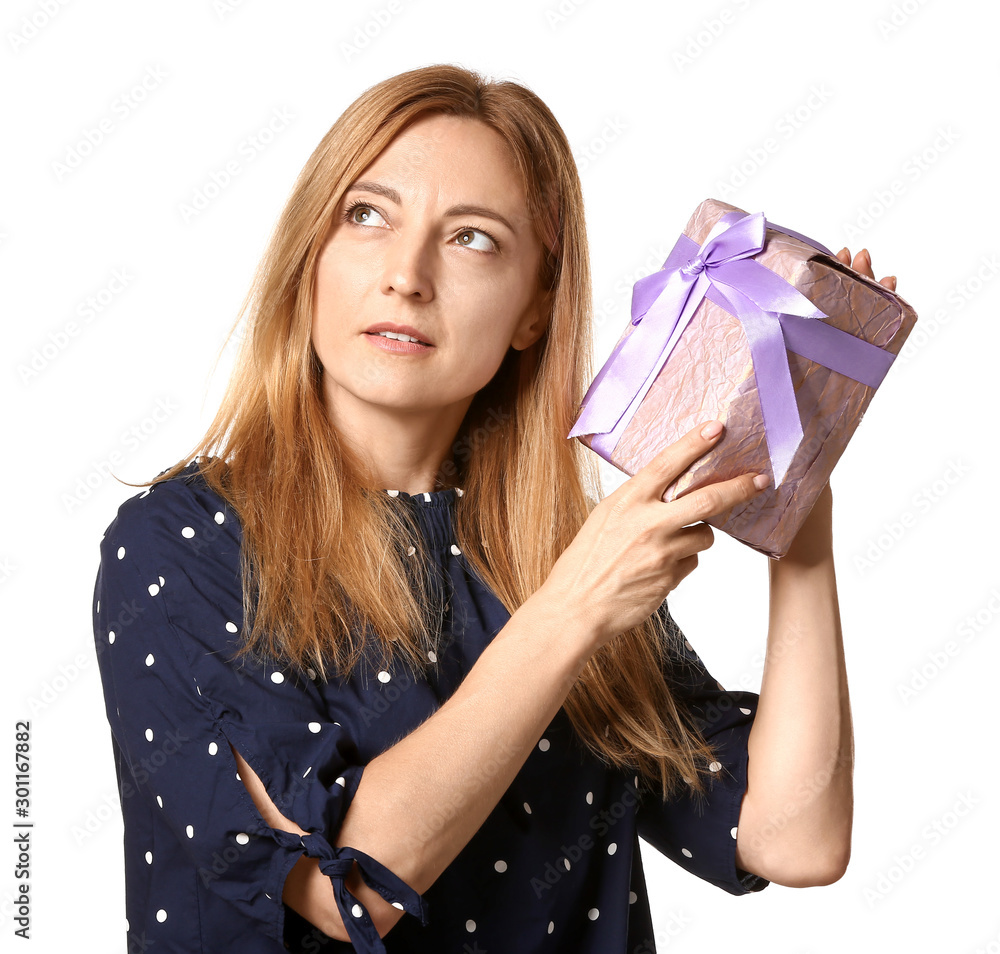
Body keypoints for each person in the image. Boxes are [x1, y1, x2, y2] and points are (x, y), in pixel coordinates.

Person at [91, 63, 896, 953]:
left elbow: (795, 838)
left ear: (533, 307)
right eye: (367, 215)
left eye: (472, 238)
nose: (406, 274)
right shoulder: (182, 544)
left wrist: (800, 489)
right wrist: (572, 611)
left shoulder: (550, 554)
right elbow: (346, 889)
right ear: (309, 256)